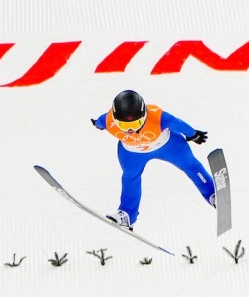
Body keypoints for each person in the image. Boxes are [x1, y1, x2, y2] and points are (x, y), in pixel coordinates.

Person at [91, 90, 215, 229]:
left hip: (167, 145)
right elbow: (100, 123)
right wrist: (97, 124)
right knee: (130, 177)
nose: (130, 129)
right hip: (133, 153)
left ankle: (212, 193)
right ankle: (127, 214)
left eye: (137, 123)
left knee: (190, 165)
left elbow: (175, 122)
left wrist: (193, 134)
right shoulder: (108, 121)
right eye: (124, 125)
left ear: (144, 116)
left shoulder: (157, 116)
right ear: (115, 119)